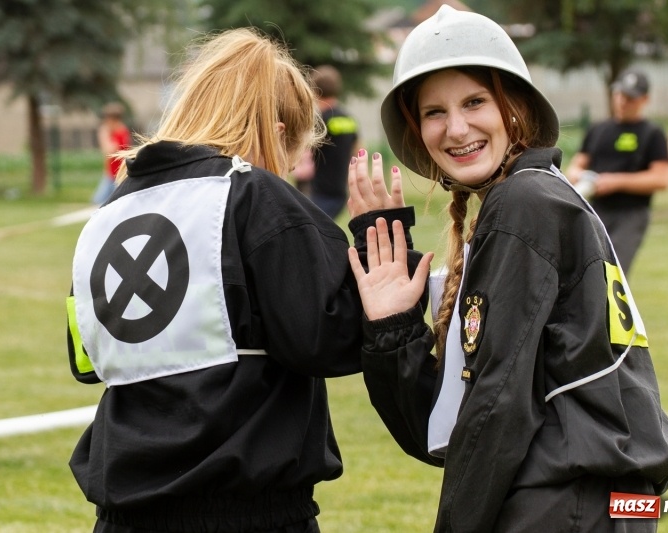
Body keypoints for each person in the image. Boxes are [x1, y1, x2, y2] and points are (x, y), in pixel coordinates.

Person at [347, 6, 668, 532]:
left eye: (475, 101)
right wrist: (395, 327)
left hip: (567, 502)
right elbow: (444, 427)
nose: (456, 128)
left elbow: (496, 407)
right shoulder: (535, 197)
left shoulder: (525, 203)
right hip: (587, 500)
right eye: (434, 112)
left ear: (515, 108)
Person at [65, 27, 417, 533]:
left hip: (124, 515)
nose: (292, 163)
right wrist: (375, 241)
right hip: (248, 512)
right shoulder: (254, 198)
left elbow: (86, 361)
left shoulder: (108, 215)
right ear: (274, 128)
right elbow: (328, 337)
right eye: (294, 144)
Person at [566, 68, 668, 274]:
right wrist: (582, 177)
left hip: (631, 214)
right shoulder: (598, 129)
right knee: (585, 271)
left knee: (614, 272)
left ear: (644, 99)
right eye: (619, 95)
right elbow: (576, 166)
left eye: (630, 98)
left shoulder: (652, 133)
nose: (623, 102)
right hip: (595, 210)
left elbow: (662, 178)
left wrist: (616, 182)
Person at [308, 65, 360, 219]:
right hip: (341, 192)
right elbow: (358, 150)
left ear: (314, 91)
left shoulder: (320, 121)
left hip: (319, 193)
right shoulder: (348, 119)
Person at [92, 102, 132, 205]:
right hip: (111, 174)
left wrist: (103, 135)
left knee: (98, 201)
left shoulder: (120, 133)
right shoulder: (116, 132)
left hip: (116, 175)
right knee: (102, 201)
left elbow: (110, 150)